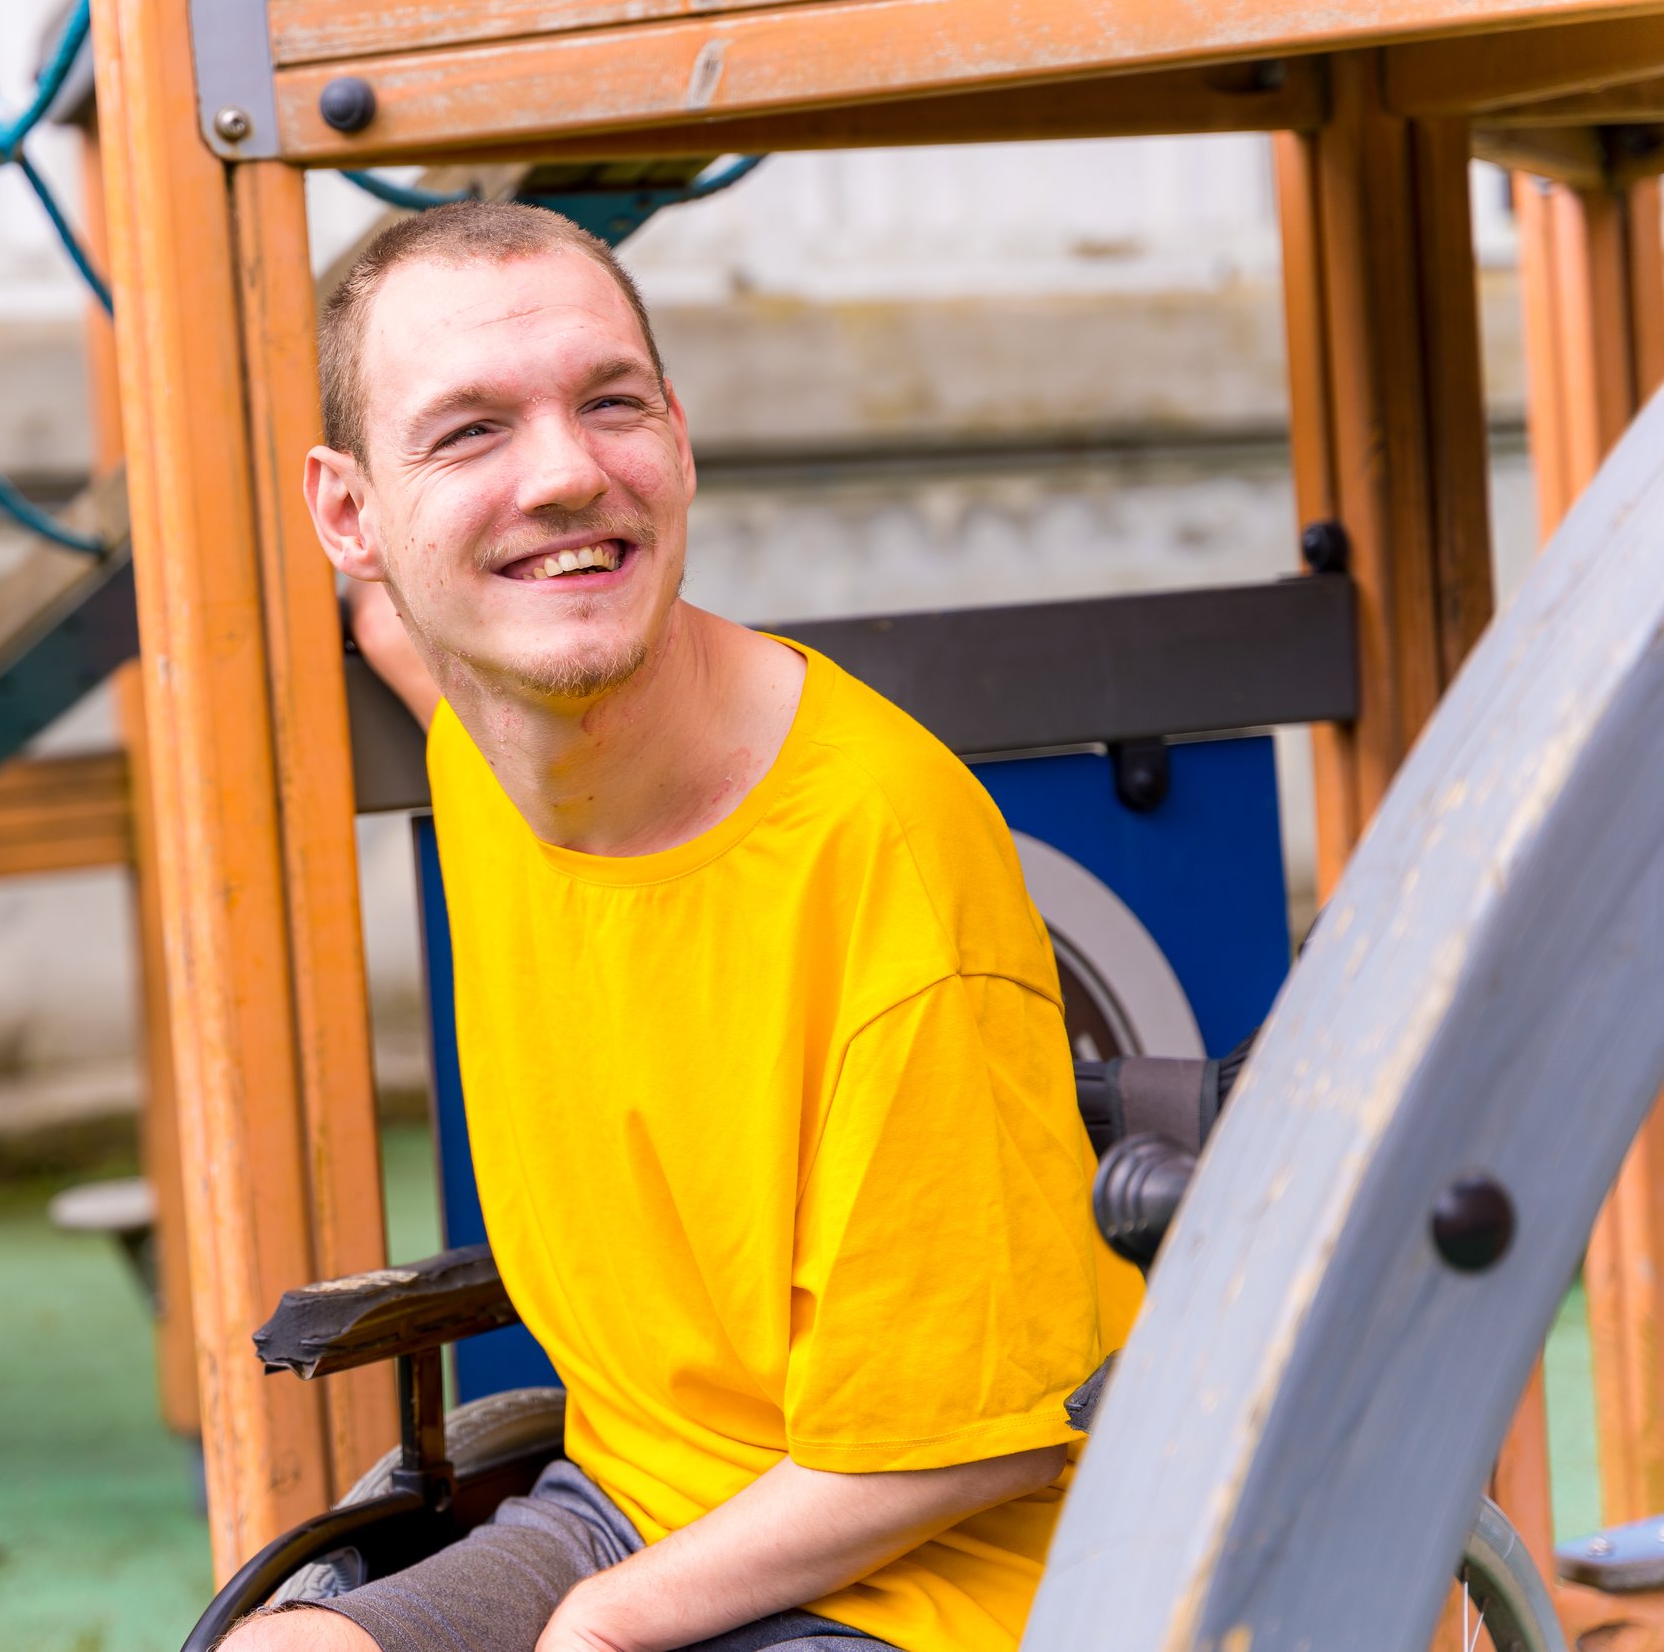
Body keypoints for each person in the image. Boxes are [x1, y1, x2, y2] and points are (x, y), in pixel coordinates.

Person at [228, 201, 1112, 1652]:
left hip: (937, 1573)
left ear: (680, 441)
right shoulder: (498, 740)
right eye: (469, 434)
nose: (567, 475)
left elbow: (971, 1444)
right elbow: (420, 635)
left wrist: (604, 1628)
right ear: (350, 516)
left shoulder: (877, 845)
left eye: (610, 404)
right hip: (628, 1500)